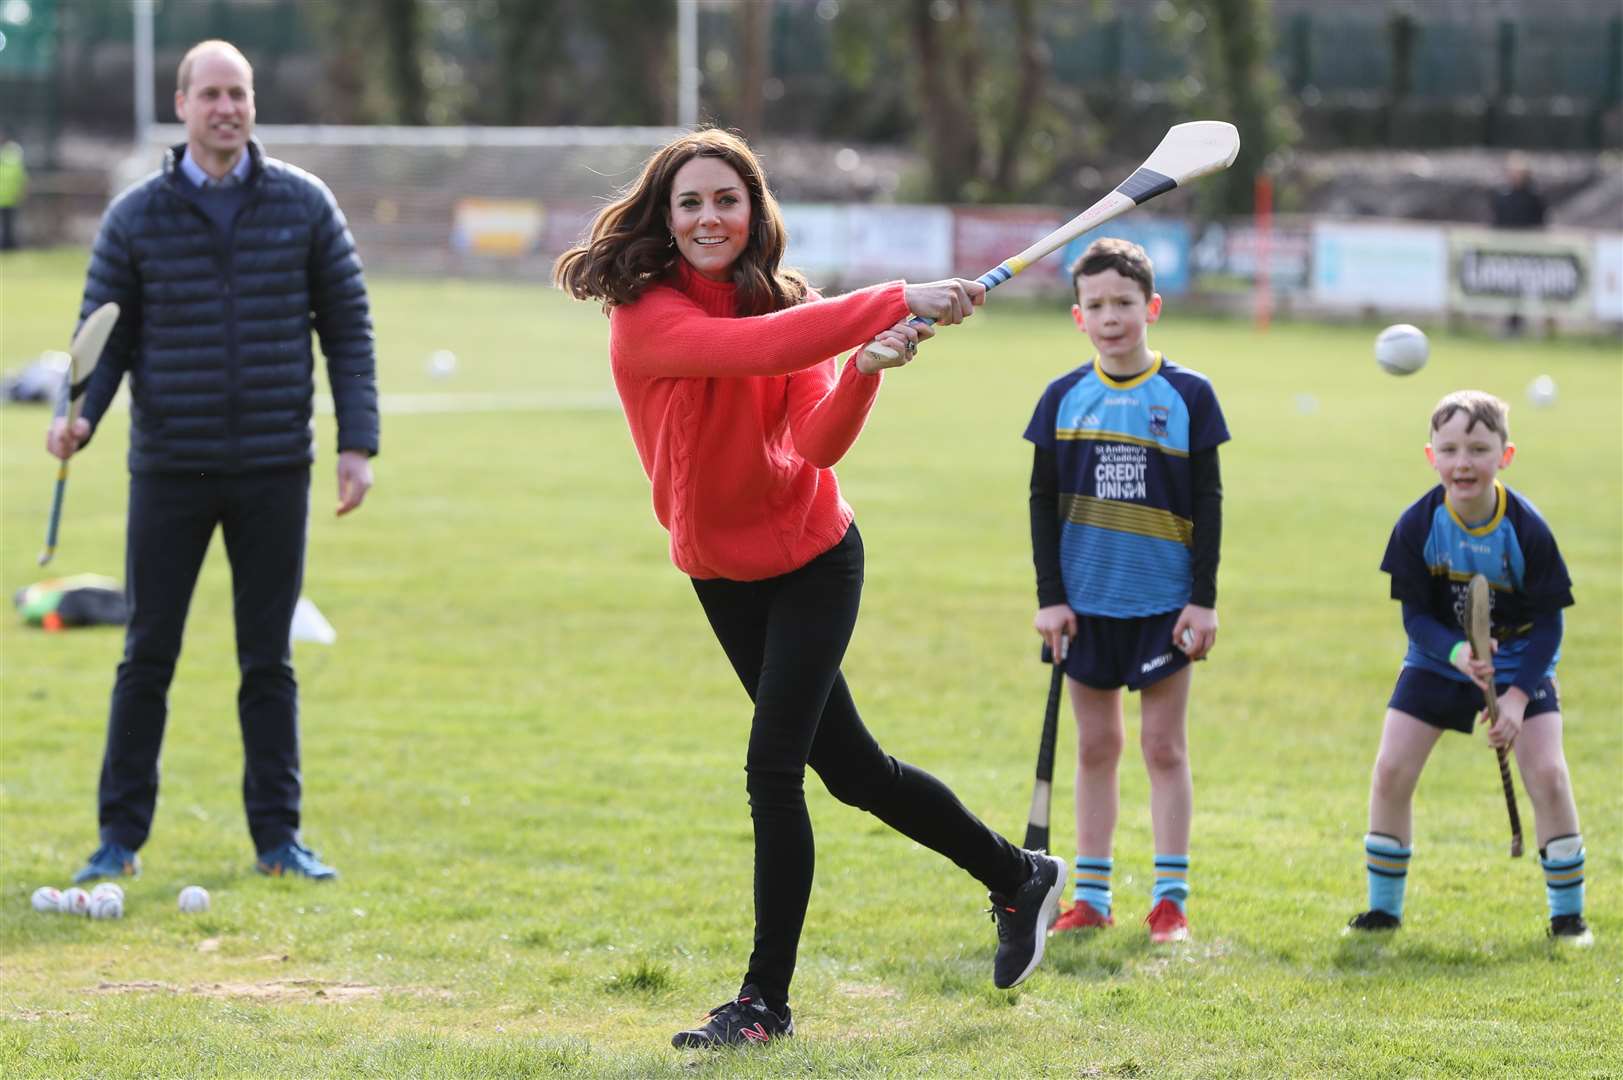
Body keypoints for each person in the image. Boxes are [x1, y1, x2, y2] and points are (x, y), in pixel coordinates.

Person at [553, 128, 1066, 1049]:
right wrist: (892, 302)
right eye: (691, 203)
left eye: (727, 200)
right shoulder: (649, 318)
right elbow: (756, 350)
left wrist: (864, 370)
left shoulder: (795, 305)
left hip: (813, 558)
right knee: (856, 773)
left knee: (773, 769)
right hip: (719, 569)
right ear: (666, 221)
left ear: (753, 213)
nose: (710, 217)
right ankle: (1016, 875)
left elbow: (817, 444)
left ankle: (764, 1005)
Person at [48, 40, 378, 885]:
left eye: (239, 93)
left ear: (252, 104)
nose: (225, 107)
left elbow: (347, 329)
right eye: (210, 94)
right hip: (169, 469)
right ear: (183, 103)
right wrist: (76, 417)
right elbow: (102, 338)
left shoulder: (306, 205)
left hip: (274, 466)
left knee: (267, 662)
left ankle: (279, 841)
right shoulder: (134, 216)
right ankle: (117, 841)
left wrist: (356, 444)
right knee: (146, 657)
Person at [1025, 238, 1228, 944]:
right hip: (1084, 606)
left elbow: (1208, 501)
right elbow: (1040, 502)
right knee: (1095, 748)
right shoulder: (1060, 398)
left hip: (1163, 605)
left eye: (1124, 303)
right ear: (1076, 316)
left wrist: (1201, 601)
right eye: (1096, 305)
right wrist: (1050, 597)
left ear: (1152, 307)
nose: (1110, 317)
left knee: (1163, 748)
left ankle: (1169, 898)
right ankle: (1092, 895)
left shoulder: (1188, 395)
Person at [1346, 390, 1590, 946]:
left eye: (1479, 449)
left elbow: (1550, 626)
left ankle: (1568, 918)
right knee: (1391, 770)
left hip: (1520, 662)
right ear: (1430, 456)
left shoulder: (1527, 530)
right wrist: (1457, 652)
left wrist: (1518, 699)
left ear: (1505, 455)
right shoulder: (1417, 524)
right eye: (1450, 449)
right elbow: (1416, 619)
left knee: (1547, 774)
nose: (1463, 462)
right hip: (1439, 660)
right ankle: (1383, 911)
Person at [1488, 153, 1548, 336]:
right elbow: (1496, 221)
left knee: (1525, 289)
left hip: (1527, 250)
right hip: (1506, 249)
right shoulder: (1502, 195)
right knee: (1507, 289)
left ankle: (1528, 325)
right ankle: (1509, 324)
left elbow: (1541, 221)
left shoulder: (1534, 196)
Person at [0, 128, 27, 250]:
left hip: (9, 196)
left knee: (10, 224)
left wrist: (21, 191)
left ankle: (10, 246)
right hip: (6, 196)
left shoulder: (12, 152)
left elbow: (20, 175)